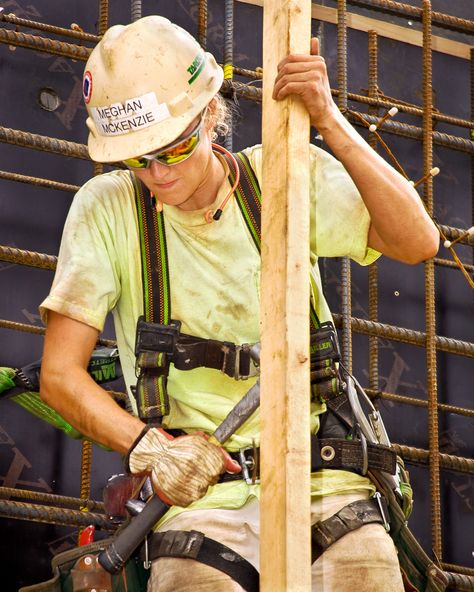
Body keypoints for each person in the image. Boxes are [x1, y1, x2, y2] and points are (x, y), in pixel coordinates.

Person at [39, 15, 439, 592]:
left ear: (208, 117)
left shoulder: (278, 171)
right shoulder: (107, 210)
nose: (156, 174)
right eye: (137, 158)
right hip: (199, 502)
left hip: (325, 480)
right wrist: (151, 448)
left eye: (171, 150)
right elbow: (59, 376)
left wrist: (326, 117)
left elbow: (417, 241)